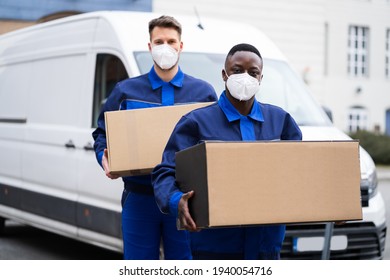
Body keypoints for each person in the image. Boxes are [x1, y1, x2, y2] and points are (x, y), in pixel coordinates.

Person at [152, 43, 302, 260]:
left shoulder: (281, 122)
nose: (245, 77)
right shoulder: (195, 123)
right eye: (237, 70)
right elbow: (165, 172)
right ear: (224, 74)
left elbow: (301, 175)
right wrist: (177, 200)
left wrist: (333, 207)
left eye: (253, 73)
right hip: (213, 247)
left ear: (261, 79)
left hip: (266, 246)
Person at [92, 15, 217, 260]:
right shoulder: (125, 91)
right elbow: (101, 134)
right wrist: (104, 158)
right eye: (159, 42)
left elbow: (215, 140)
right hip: (139, 197)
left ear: (181, 46)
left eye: (171, 41)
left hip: (185, 199)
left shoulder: (203, 93)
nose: (166, 47)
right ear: (149, 47)